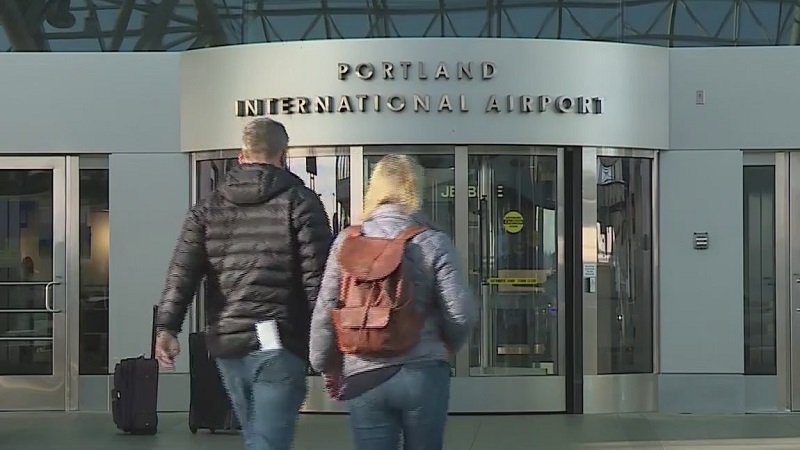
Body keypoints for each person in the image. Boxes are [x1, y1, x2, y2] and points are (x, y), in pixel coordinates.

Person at [154, 117, 332, 450]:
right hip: (279, 340)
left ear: (241, 155)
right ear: (284, 155)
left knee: (256, 436)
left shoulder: (207, 209)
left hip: (228, 342)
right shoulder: (301, 202)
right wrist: (327, 343)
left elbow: (182, 272)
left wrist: (167, 329)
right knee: (266, 440)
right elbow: (318, 280)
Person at [309, 154, 478, 450]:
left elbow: (326, 309)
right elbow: (460, 312)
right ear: (415, 189)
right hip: (423, 369)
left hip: (363, 371)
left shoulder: (347, 242)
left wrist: (325, 364)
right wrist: (447, 346)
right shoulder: (433, 241)